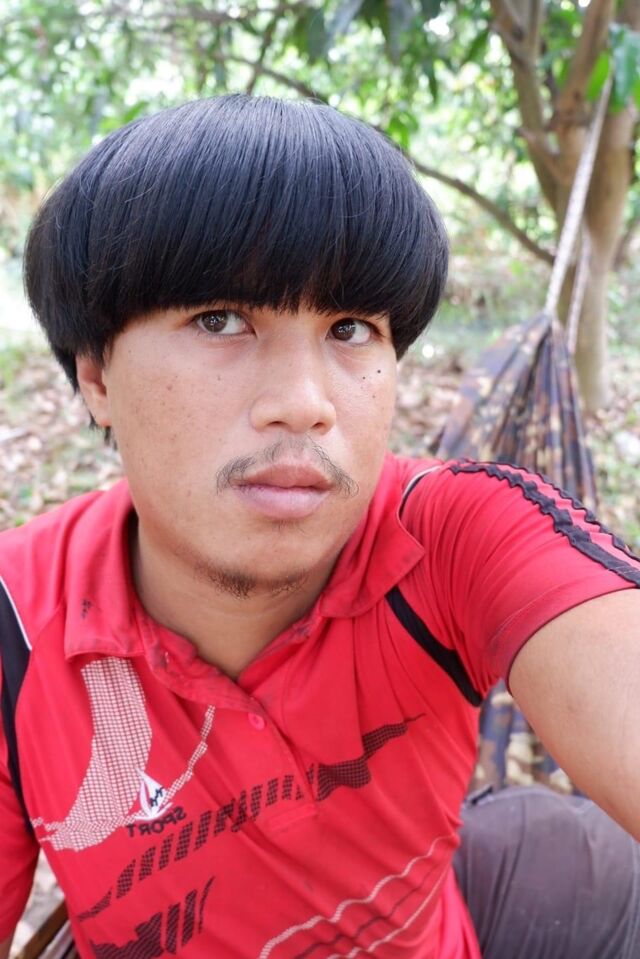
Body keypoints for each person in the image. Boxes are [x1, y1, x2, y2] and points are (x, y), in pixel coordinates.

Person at [0, 95, 639, 959]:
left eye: (350, 328)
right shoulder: (17, 622)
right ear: (97, 377)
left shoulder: (452, 538)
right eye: (220, 320)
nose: (304, 403)